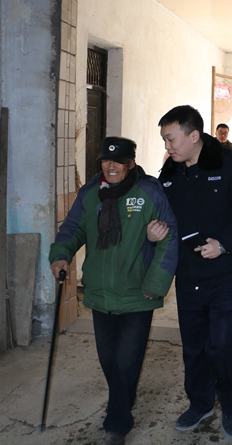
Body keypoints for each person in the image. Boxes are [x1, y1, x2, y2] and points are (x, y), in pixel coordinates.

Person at [49, 136, 178, 445]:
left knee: (125, 361)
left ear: (131, 163)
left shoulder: (148, 191)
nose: (111, 166)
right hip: (100, 292)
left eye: (118, 160)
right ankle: (125, 397)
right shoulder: (90, 193)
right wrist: (61, 254)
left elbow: (170, 236)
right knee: (109, 360)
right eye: (106, 160)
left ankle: (117, 423)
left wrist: (155, 284)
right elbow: (73, 228)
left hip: (138, 293)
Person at [156, 105, 232, 439]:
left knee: (223, 346)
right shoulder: (170, 172)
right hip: (188, 276)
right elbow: (160, 213)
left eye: (171, 139)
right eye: (164, 140)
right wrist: (153, 231)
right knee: (194, 347)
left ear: (193, 135)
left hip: (226, 275)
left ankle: (230, 406)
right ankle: (200, 403)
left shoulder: (231, 166)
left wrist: (224, 244)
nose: (167, 146)